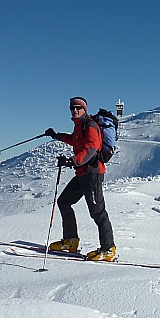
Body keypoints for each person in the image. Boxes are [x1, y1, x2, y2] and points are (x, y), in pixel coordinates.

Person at [45, 96, 116, 261]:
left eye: (78, 107)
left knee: (97, 212)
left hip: (92, 174)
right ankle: (71, 241)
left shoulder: (90, 125)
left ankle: (108, 249)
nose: (75, 110)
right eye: (72, 108)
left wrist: (72, 161)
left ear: (85, 109)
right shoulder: (79, 127)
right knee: (64, 201)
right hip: (82, 173)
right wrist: (57, 136)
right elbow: (75, 141)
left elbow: (92, 148)